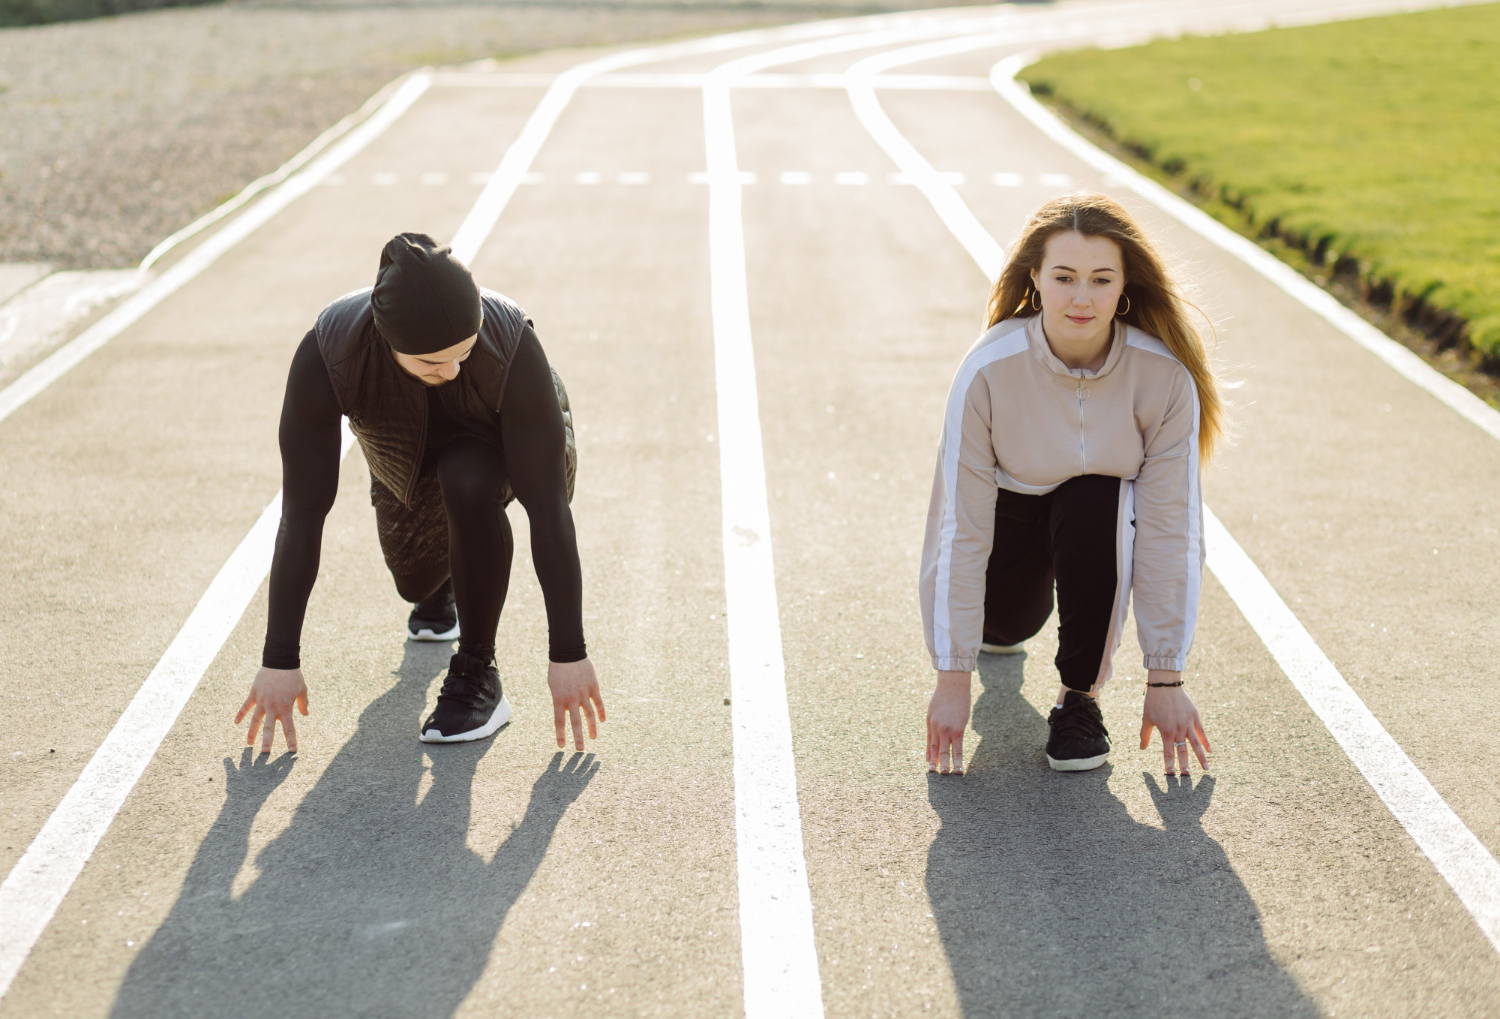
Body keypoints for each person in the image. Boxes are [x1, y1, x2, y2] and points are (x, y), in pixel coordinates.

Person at [234, 233, 605, 754]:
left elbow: (547, 509)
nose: (452, 371)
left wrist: (568, 652)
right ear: (391, 344)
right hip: (402, 455)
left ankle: (478, 671)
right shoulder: (329, 354)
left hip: (500, 444)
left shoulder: (509, 344)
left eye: (463, 353)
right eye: (433, 363)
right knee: (414, 584)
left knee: (468, 478)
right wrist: (279, 660)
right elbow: (302, 513)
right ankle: (447, 578)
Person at [921, 194, 1222, 776]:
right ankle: (995, 634)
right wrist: (952, 676)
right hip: (1009, 544)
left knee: (1098, 495)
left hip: (1090, 536)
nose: (1082, 297)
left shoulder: (1163, 378)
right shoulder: (987, 370)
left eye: (1100, 279)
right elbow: (958, 527)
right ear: (1034, 279)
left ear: (1123, 285)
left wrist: (1166, 676)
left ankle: (1079, 701)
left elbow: (1170, 528)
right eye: (1064, 278)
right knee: (1005, 627)